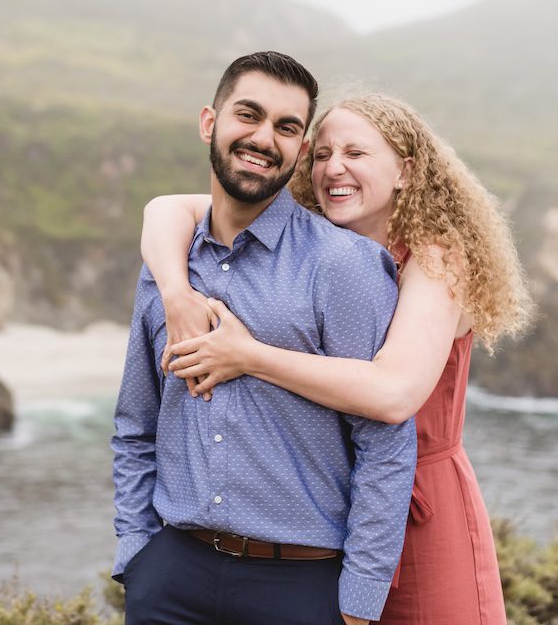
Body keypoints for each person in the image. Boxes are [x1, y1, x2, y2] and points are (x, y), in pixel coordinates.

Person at [141, 93, 533, 624]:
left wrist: (249, 356)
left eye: (356, 153)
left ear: (405, 171)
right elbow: (165, 208)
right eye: (322, 154)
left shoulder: (437, 256)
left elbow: (393, 394)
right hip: (328, 510)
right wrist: (174, 290)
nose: (334, 169)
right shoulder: (316, 245)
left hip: (421, 511)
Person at [112, 52, 416, 625]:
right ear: (210, 122)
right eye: (248, 115)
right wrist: (137, 553)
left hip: (299, 587)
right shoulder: (167, 262)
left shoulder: (342, 265)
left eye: (286, 127)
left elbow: (386, 443)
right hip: (170, 578)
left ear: (301, 150)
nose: (262, 138)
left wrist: (358, 601)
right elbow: (136, 422)